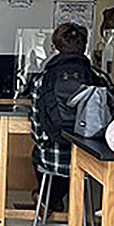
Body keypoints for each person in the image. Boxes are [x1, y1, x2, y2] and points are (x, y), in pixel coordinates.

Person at [29, 23, 103, 214]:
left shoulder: (42, 79)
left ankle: (48, 199)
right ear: (84, 47)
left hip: (53, 159)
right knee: (75, 167)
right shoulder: (99, 78)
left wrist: (46, 142)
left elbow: (37, 128)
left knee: (37, 154)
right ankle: (70, 211)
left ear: (55, 47)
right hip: (92, 162)